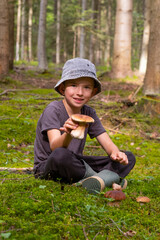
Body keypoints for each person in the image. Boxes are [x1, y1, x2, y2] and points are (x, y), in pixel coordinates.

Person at [34, 58, 136, 194]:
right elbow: (54, 147)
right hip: (50, 165)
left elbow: (108, 145)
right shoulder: (53, 109)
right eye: (73, 85)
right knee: (60, 155)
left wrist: (117, 154)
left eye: (86, 87)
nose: (80, 92)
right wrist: (68, 133)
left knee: (129, 157)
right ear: (62, 88)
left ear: (93, 92)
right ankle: (106, 178)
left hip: (76, 163)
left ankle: (93, 180)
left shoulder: (89, 113)